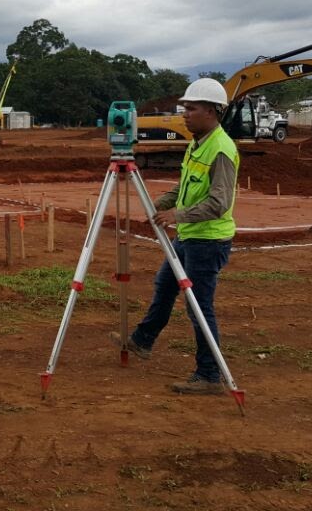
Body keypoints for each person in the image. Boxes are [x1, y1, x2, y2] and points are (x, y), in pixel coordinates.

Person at [111, 77, 240, 395]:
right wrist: (162, 204)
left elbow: (218, 202)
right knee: (165, 285)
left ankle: (209, 375)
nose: (184, 114)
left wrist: (176, 215)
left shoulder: (221, 149)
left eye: (191, 108)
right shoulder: (197, 144)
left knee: (199, 306)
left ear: (211, 111)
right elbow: (184, 187)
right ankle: (143, 340)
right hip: (189, 235)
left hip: (208, 241)